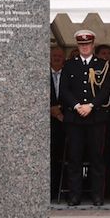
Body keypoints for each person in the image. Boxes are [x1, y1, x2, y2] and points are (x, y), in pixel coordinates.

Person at [59, 29, 110, 206]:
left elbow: (106, 90)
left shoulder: (102, 65)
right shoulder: (69, 65)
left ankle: (97, 196)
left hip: (95, 117)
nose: (84, 47)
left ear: (93, 44)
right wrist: (77, 106)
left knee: (96, 157)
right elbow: (64, 90)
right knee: (74, 158)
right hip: (74, 118)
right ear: (77, 45)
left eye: (87, 44)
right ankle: (75, 196)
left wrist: (90, 105)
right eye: (81, 44)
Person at [49, 45, 67, 201]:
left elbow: (75, 95)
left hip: (64, 123)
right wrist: (50, 109)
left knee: (62, 158)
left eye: (59, 56)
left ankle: (61, 190)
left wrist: (60, 110)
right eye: (54, 55)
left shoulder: (69, 75)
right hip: (46, 124)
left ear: (64, 58)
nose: (56, 58)